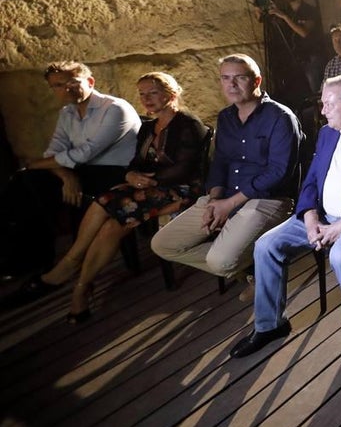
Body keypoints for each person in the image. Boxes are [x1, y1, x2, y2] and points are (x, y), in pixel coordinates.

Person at [228, 72, 341, 360]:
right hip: (322, 216)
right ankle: (270, 325)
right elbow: (310, 180)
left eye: (328, 104)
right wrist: (310, 217)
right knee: (266, 245)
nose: (321, 110)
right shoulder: (326, 133)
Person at [13, 72, 206, 319]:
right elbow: (134, 161)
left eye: (153, 93)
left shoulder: (188, 123)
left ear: (171, 94)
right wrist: (130, 176)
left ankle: (71, 267)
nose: (146, 99)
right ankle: (81, 286)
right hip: (148, 188)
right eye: (142, 94)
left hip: (182, 189)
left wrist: (150, 181)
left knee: (109, 205)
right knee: (108, 213)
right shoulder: (148, 126)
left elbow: (185, 168)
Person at [150, 54, 301, 282]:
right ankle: (250, 269)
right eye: (225, 78)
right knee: (163, 244)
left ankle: (243, 264)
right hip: (225, 196)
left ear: (256, 81)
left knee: (219, 261)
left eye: (239, 78)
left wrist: (229, 204)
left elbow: (278, 172)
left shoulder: (280, 117)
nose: (231, 84)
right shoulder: (226, 117)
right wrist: (214, 199)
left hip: (268, 199)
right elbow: (220, 161)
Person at [0, 61, 140, 281]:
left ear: (90, 82)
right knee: (25, 185)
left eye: (71, 83)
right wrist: (67, 175)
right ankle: (30, 260)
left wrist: (34, 164)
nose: (65, 89)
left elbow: (85, 153)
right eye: (57, 85)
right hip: (83, 172)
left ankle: (41, 262)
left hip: (116, 174)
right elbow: (54, 151)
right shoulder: (67, 113)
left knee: (32, 179)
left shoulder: (114, 108)